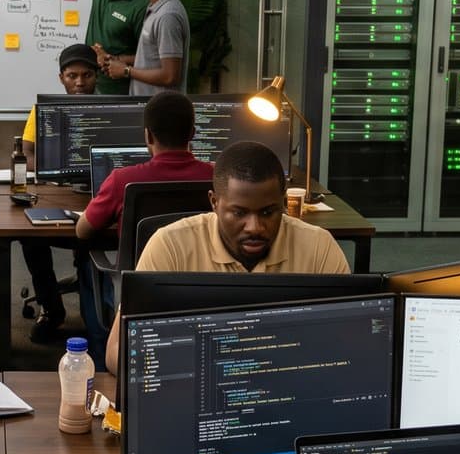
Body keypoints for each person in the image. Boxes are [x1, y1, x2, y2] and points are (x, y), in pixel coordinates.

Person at [113, 141, 347, 370]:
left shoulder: (319, 247)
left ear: (284, 204)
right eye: (239, 212)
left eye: (268, 212)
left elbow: (349, 341)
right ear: (214, 202)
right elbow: (116, 351)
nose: (254, 227)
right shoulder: (170, 245)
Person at [19, 43, 102, 341]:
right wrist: (52, 170)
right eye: (72, 76)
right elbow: (27, 151)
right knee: (28, 237)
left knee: (93, 241)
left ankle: (98, 316)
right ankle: (52, 309)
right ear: (61, 77)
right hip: (58, 196)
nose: (80, 83)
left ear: (97, 75)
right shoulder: (44, 109)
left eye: (87, 75)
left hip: (99, 202)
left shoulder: (114, 109)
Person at [75, 92, 212, 240]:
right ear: (192, 133)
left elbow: (82, 231)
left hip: (141, 264)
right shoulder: (217, 177)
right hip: (198, 263)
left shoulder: (121, 180)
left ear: (148, 136)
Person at [101, 0, 187, 95]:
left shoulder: (167, 16)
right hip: (148, 107)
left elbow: (170, 76)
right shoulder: (156, 8)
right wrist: (117, 60)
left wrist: (126, 71)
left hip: (160, 109)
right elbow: (150, 59)